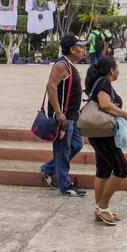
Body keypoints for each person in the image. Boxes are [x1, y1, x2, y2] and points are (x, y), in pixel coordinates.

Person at [84, 56, 127, 225]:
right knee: (122, 169)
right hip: (103, 135)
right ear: (111, 70)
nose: (119, 70)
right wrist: (125, 113)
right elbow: (105, 105)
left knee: (103, 170)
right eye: (117, 67)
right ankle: (103, 206)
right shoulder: (104, 82)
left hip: (99, 133)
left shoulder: (100, 82)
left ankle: (100, 209)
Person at [40, 34, 88, 197]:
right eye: (80, 47)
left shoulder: (71, 65)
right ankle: (65, 186)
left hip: (72, 115)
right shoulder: (62, 65)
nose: (83, 50)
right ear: (72, 50)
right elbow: (51, 87)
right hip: (63, 117)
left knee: (77, 144)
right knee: (63, 149)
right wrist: (59, 113)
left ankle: (48, 168)